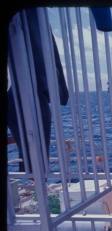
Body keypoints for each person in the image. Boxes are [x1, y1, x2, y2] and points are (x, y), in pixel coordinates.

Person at [7, 8, 69, 172]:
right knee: (35, 160)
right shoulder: (35, 19)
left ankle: (33, 177)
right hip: (29, 95)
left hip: (30, 94)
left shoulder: (34, 18)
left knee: (34, 160)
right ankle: (33, 177)